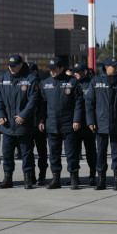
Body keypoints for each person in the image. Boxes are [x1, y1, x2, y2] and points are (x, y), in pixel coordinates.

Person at [85, 56, 117, 190]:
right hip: (101, 123)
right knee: (101, 153)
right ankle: (101, 180)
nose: (116, 68)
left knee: (116, 153)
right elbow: (89, 103)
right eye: (113, 66)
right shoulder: (96, 82)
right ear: (106, 67)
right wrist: (91, 121)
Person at [0, 54, 40, 189]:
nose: (11, 68)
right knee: (7, 153)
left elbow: (33, 100)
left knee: (26, 152)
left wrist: (23, 115)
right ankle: (7, 178)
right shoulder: (3, 79)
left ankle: (28, 178)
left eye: (14, 66)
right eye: (9, 66)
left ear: (21, 65)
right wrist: (0, 115)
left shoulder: (30, 78)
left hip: (24, 124)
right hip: (7, 125)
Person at [38, 57, 84, 189]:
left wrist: (76, 119)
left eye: (54, 69)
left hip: (69, 124)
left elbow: (79, 103)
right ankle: (56, 179)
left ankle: (74, 178)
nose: (52, 71)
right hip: (52, 124)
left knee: (71, 153)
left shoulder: (72, 82)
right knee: (54, 154)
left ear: (61, 68)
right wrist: (41, 120)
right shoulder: (45, 83)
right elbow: (42, 105)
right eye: (50, 69)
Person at [73, 62, 98, 185]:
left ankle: (92, 175)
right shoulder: (73, 83)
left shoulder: (92, 83)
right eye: (74, 71)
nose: (75, 74)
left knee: (90, 151)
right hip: (75, 123)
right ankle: (75, 176)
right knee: (74, 151)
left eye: (78, 71)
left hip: (88, 123)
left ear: (85, 72)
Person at [27, 62, 50, 185]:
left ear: (35, 72)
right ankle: (31, 175)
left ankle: (42, 175)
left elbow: (44, 105)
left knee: (42, 152)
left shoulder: (42, 84)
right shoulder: (26, 83)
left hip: (40, 124)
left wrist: (41, 120)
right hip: (28, 123)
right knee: (28, 151)